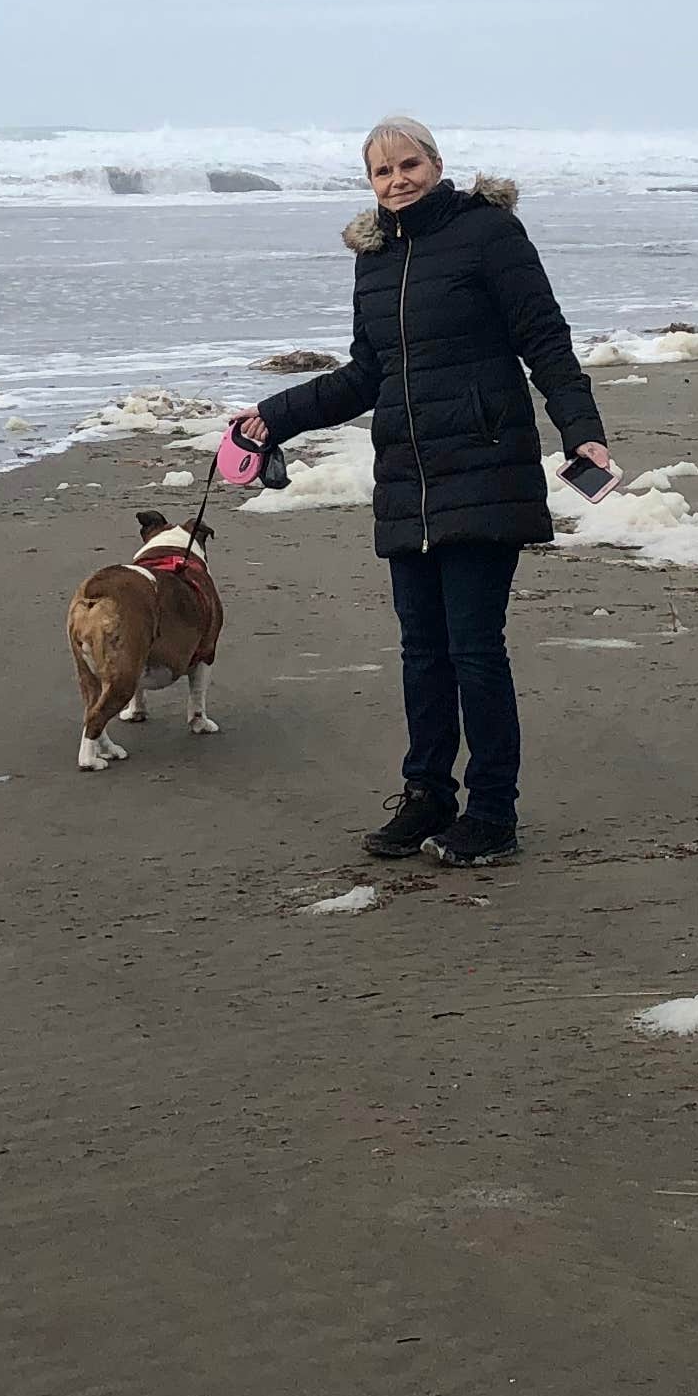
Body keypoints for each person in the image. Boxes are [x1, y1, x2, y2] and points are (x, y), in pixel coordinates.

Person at [232, 117, 612, 867]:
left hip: (484, 464)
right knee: (421, 653)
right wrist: (272, 418)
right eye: (381, 172)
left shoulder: (489, 236)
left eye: (409, 164)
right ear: (369, 183)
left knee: (475, 650)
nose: (397, 179)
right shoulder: (373, 260)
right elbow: (366, 374)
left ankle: (493, 812)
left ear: (438, 165)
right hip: (409, 477)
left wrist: (582, 431)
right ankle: (427, 796)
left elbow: (545, 338)